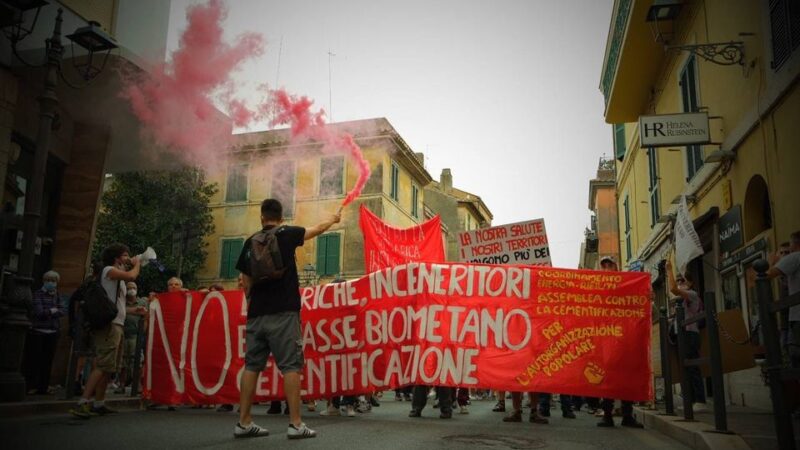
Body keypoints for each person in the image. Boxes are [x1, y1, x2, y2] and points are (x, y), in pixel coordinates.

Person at [233, 198, 340, 439]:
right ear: (281, 217)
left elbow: (245, 280)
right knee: (291, 366)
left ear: (262, 217)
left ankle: (243, 421)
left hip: (257, 314)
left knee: (252, 366)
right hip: (284, 312)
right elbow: (317, 229)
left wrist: (252, 302)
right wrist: (332, 220)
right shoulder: (288, 233)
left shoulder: (250, 241)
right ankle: (295, 423)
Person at [70, 243, 140, 418]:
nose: (127, 258)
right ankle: (83, 402)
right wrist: (137, 263)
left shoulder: (116, 277)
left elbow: (116, 303)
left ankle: (99, 403)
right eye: (125, 255)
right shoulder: (109, 270)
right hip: (110, 325)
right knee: (102, 364)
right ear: (117, 258)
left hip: (117, 323)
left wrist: (133, 311)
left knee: (108, 366)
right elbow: (132, 275)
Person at [595, 256, 645, 427]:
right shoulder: (596, 287)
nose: (607, 267)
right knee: (608, 377)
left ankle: (627, 415)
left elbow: (639, 304)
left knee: (627, 375)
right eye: (604, 265)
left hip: (626, 337)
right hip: (606, 338)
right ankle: (607, 414)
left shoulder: (629, 284)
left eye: (610, 264)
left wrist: (647, 296)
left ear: (616, 266)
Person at [665, 256, 707, 414]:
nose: (679, 283)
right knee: (685, 368)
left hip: (689, 334)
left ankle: (700, 400)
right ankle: (690, 399)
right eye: (678, 280)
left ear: (690, 283)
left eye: (682, 280)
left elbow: (674, 289)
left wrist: (669, 270)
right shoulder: (679, 300)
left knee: (692, 366)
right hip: (680, 334)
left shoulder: (692, 294)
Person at [23, 270, 65, 395]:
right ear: (44, 281)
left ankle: (43, 387)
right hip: (38, 331)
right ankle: (31, 386)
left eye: (53, 281)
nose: (51, 283)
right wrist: (53, 311)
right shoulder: (38, 294)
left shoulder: (57, 295)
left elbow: (63, 310)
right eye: (48, 280)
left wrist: (51, 311)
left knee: (47, 361)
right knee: (34, 360)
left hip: (52, 331)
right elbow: (39, 312)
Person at [766, 232, 800, 367]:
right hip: (790, 318)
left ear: (794, 244)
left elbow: (765, 276)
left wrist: (770, 262)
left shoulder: (795, 257)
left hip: (797, 316)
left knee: (794, 354)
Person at [115, 281, 148, 394]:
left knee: (137, 361)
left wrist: (142, 332)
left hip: (136, 336)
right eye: (129, 288)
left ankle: (137, 384)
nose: (131, 289)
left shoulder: (142, 302)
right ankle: (121, 384)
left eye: (134, 287)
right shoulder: (121, 302)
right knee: (122, 361)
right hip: (123, 335)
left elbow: (146, 317)